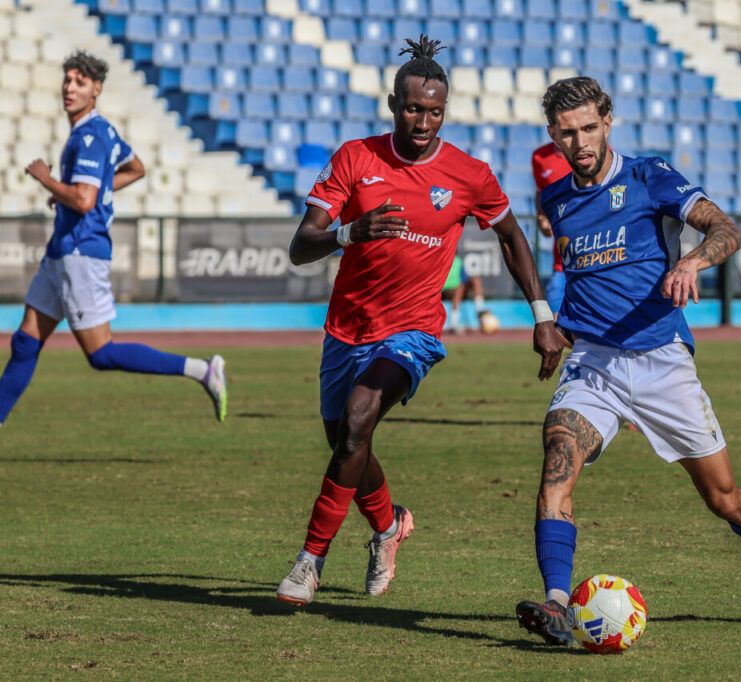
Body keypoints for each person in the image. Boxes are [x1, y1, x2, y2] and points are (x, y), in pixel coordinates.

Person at [514, 77, 741, 646]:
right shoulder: (556, 201)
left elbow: (725, 229)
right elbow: (589, 281)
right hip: (594, 364)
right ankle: (557, 605)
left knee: (724, 498)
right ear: (552, 137)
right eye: (567, 133)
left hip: (663, 360)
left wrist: (691, 263)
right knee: (558, 454)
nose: (580, 142)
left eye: (589, 128)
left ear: (608, 122)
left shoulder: (649, 175)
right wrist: (556, 328)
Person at [276, 36, 563, 605]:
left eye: (434, 111)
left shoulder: (468, 174)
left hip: (412, 331)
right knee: (346, 442)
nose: (423, 120)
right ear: (392, 104)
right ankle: (388, 526)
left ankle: (310, 561)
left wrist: (540, 314)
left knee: (358, 422)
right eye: (412, 108)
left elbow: (511, 237)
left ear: (444, 110)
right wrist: (347, 233)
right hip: (346, 327)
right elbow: (300, 245)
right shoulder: (356, 158)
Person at [0, 51, 227, 428]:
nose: (69, 87)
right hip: (62, 250)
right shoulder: (102, 130)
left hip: (80, 252)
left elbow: (86, 200)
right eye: (68, 79)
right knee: (25, 344)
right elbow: (135, 169)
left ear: (97, 90)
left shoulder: (89, 136)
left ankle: (202, 370)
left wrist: (48, 180)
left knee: (101, 354)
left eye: (80, 82)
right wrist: (70, 192)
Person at [531, 142, 572, 314]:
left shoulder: (594, 152)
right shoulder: (540, 156)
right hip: (562, 260)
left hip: (594, 258)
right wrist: (542, 217)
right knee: (554, 318)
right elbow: (541, 191)